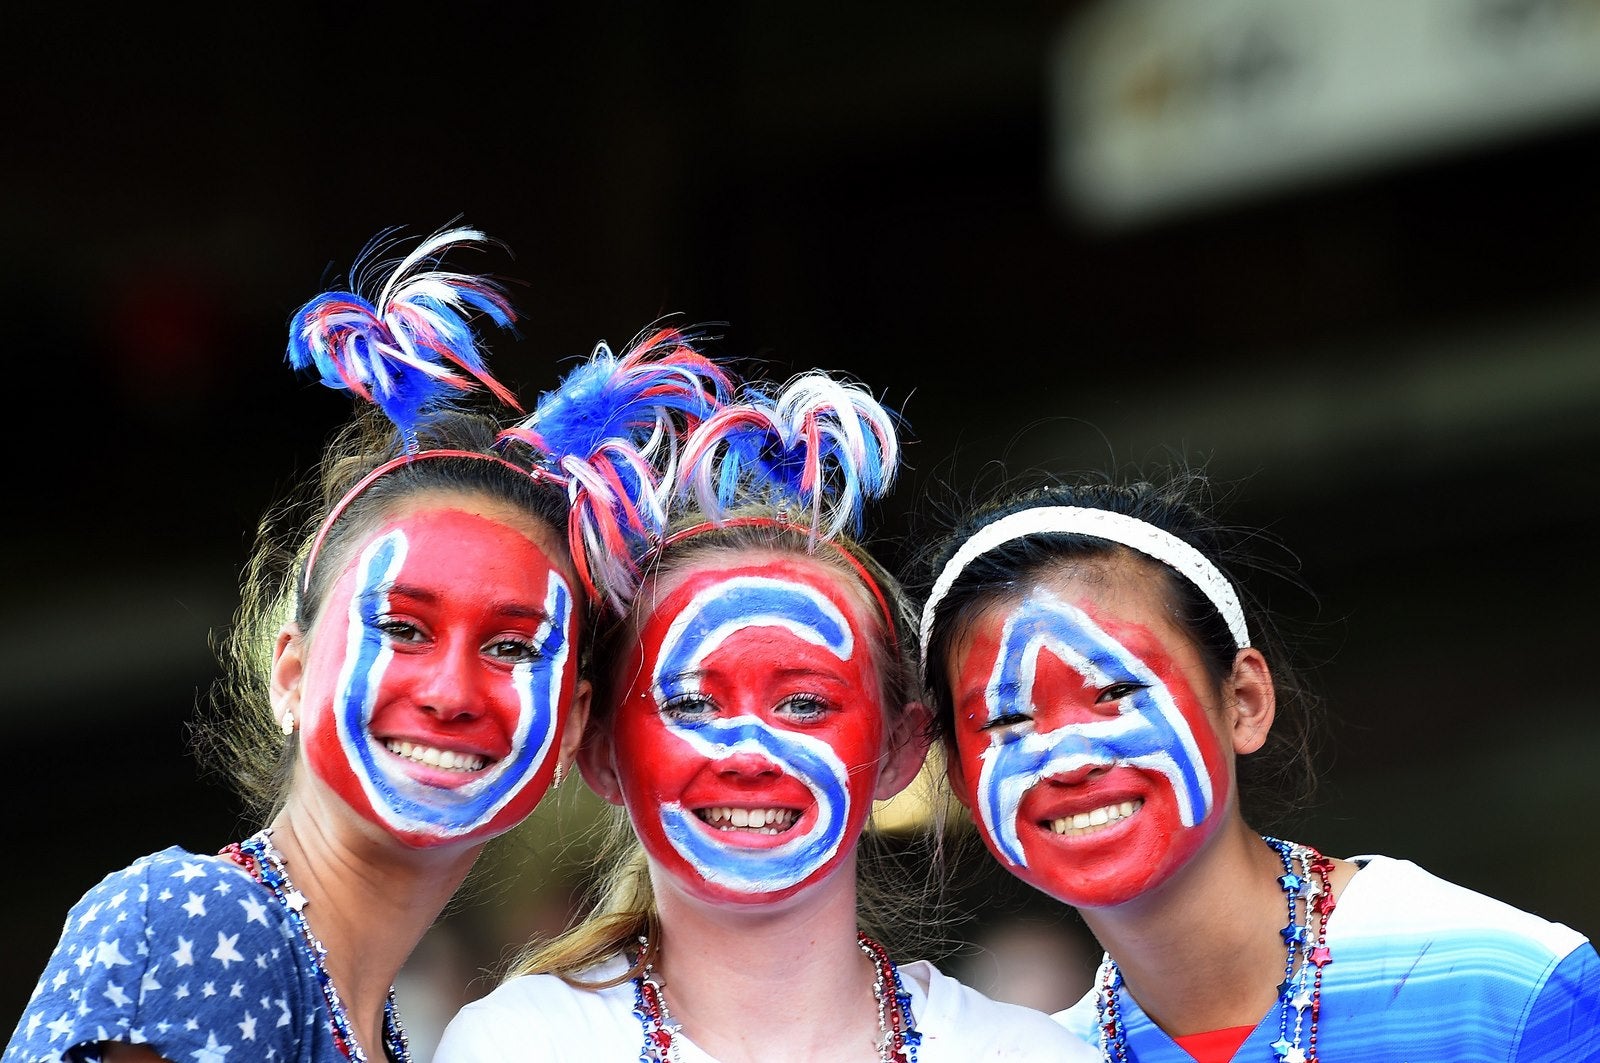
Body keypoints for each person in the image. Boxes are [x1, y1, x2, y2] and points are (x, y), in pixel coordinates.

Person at [5, 227, 727, 1063]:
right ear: (291, 673)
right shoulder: (198, 918)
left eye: (511, 647)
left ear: (570, 724)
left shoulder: (379, 1024)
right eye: (405, 628)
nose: (452, 690)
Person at [435, 369, 1091, 1061]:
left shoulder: (1023, 1051)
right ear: (600, 751)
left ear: (901, 746)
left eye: (804, 703)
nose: (749, 750)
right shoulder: (521, 1044)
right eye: (691, 702)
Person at [915, 473, 1600, 1062]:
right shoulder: (1046, 1054)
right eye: (1007, 721)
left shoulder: (1504, 984)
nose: (1069, 758)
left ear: (1243, 700)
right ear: (961, 782)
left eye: (1116, 691)